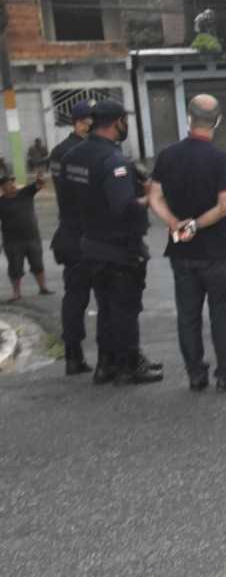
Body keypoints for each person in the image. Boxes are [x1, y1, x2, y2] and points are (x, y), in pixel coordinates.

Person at [149, 94, 226, 392]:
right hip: (218, 252)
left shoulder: (167, 156)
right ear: (218, 121)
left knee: (187, 316)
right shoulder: (221, 160)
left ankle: (196, 374)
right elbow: (224, 206)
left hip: (181, 251)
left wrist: (175, 223)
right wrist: (196, 223)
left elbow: (154, 197)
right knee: (222, 315)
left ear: (188, 119)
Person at [61, 99, 162, 386]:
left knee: (106, 308)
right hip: (119, 247)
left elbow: (68, 201)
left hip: (89, 243)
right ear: (117, 121)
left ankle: (106, 365)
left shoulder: (73, 156)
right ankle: (130, 366)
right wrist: (150, 197)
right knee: (125, 309)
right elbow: (124, 207)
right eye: (124, 121)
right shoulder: (113, 160)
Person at [50, 100, 95, 375]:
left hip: (69, 232)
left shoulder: (58, 152)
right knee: (98, 295)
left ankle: (73, 355)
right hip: (84, 234)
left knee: (74, 298)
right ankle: (112, 357)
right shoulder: (81, 152)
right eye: (91, 119)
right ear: (80, 122)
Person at [0, 172, 53, 302]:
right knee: (15, 268)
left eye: (12, 182)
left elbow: (40, 185)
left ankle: (43, 288)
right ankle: (16, 293)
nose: (12, 185)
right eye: (8, 183)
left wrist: (40, 179)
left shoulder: (25, 193)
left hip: (32, 237)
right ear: (2, 187)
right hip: (12, 242)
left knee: (38, 265)